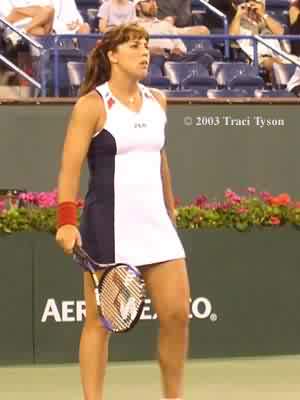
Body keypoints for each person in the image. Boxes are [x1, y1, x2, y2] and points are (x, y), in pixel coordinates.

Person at [56, 22, 190, 400]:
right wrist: (66, 222)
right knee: (99, 324)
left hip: (155, 226)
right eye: (135, 45)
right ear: (113, 55)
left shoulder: (157, 101)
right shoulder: (91, 105)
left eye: (146, 45)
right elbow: (69, 167)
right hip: (107, 227)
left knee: (178, 315)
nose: (145, 52)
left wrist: (170, 205)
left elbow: (159, 157)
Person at [134, 0, 209, 60]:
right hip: (153, 59)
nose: (152, 4)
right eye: (147, 1)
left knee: (207, 56)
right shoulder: (133, 26)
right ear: (138, 7)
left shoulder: (165, 24)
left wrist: (178, 50)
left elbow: (181, 47)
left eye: (154, 1)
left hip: (175, 58)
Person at [229, 0, 285, 73]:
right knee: (276, 65)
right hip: (259, 58)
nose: (253, 7)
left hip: (279, 56)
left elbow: (280, 32)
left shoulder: (267, 21)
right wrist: (239, 15)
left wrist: (262, 14)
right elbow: (232, 35)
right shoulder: (239, 22)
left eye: (258, 3)